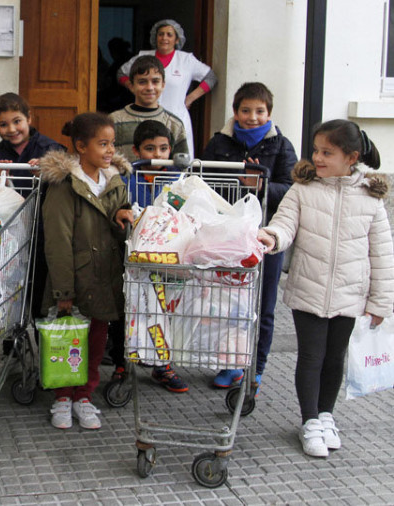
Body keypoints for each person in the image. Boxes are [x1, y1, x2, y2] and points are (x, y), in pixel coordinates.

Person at [256, 120, 393, 458]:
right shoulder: (303, 189)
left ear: (352, 157)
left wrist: (381, 303)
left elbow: (383, 253)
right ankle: (310, 421)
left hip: (351, 294)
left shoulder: (371, 198)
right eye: (316, 150)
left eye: (326, 152)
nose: (317, 157)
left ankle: (327, 415)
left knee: (335, 359)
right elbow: (284, 224)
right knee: (311, 357)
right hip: (309, 290)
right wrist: (271, 237)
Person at [38, 112, 134, 429]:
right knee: (68, 341)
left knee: (95, 342)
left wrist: (122, 218)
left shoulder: (114, 182)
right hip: (75, 278)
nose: (110, 151)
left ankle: (84, 397)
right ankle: (62, 397)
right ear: (81, 146)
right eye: (102, 144)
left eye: (112, 144)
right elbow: (57, 240)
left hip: (104, 276)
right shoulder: (64, 186)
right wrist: (63, 291)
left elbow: (119, 231)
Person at [201, 82, 296, 391]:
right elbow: (203, 183)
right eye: (246, 110)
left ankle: (256, 365)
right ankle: (230, 363)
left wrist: (260, 186)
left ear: (269, 113)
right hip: (227, 236)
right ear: (235, 112)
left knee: (263, 306)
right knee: (228, 304)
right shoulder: (218, 142)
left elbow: (292, 189)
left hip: (265, 237)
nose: (252, 117)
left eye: (259, 111)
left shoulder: (280, 146)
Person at [0, 92, 66, 382]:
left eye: (17, 121)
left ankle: (48, 362)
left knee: (42, 303)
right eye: (3, 124)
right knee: (10, 300)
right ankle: (12, 356)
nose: (12, 129)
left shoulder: (50, 148)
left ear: (29, 118)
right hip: (10, 243)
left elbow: (68, 177)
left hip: (43, 239)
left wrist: (49, 169)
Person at [107, 120, 189, 393]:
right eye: (149, 148)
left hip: (167, 258)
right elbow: (118, 211)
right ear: (136, 150)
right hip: (131, 257)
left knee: (164, 310)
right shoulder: (127, 178)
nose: (157, 155)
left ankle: (162, 366)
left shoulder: (179, 179)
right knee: (125, 310)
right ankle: (121, 363)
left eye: (164, 148)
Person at [118, 19, 217, 155]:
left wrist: (190, 98)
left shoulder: (186, 60)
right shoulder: (143, 56)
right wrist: (132, 87)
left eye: (169, 35)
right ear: (155, 37)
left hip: (177, 116)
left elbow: (210, 77)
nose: (164, 38)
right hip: (146, 115)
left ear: (177, 39)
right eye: (161, 34)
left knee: (178, 159)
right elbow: (122, 73)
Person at [110, 56, 187, 162]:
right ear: (131, 86)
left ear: (163, 85)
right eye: (142, 82)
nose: (149, 87)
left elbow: (182, 167)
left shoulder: (174, 124)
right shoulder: (114, 121)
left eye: (155, 82)